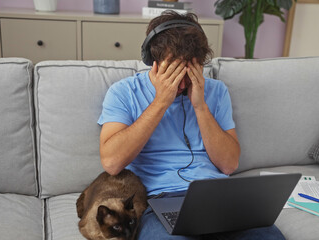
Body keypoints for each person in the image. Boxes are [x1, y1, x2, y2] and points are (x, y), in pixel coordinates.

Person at [97, 11, 285, 240]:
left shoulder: (216, 91)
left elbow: (229, 165)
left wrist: (200, 106)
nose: (183, 82)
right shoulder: (123, 92)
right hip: (157, 200)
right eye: (175, 71)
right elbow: (112, 162)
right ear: (153, 62)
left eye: (191, 70)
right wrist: (161, 102)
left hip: (217, 196)